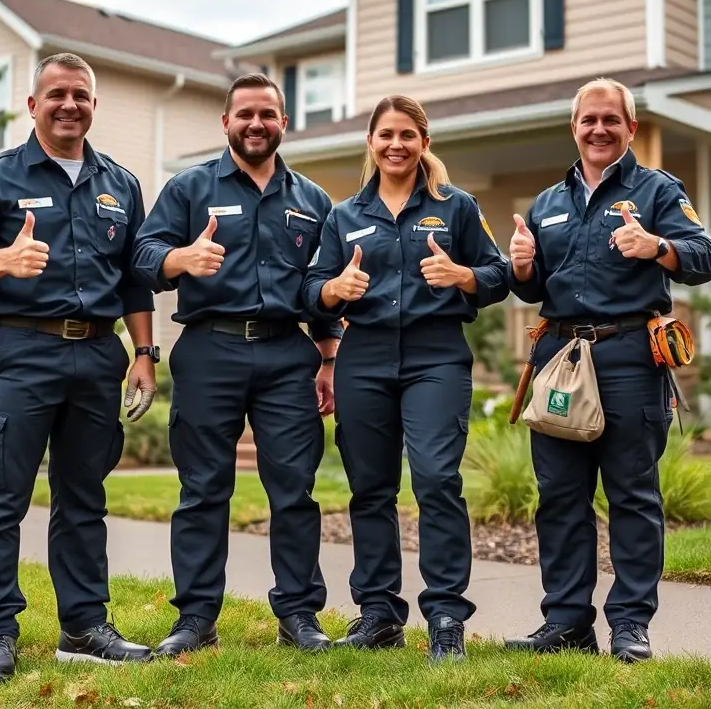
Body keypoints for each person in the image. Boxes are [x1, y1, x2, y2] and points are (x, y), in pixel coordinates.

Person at [0, 53, 158, 683]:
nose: (70, 105)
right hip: (24, 352)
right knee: (2, 498)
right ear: (33, 105)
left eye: (81, 95)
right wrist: (4, 261)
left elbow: (135, 281)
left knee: (84, 497)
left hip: (98, 354)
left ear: (93, 106)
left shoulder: (120, 184)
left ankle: (84, 628)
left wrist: (145, 355)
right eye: (57, 94)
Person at [132, 73, 342, 656]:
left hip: (287, 354)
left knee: (294, 490)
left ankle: (298, 614)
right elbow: (143, 256)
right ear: (226, 121)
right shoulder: (189, 187)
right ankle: (196, 617)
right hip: (209, 349)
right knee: (202, 489)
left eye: (267, 114)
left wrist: (328, 358)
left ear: (283, 122)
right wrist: (181, 257)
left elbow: (324, 286)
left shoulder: (312, 200)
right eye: (244, 113)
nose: (256, 123)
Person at [505, 77, 711, 663]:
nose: (599, 129)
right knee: (559, 496)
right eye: (588, 120)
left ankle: (629, 624)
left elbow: (703, 256)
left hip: (630, 357)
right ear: (573, 128)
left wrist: (658, 247)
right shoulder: (548, 202)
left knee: (632, 495)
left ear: (630, 128)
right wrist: (522, 268)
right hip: (559, 358)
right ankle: (566, 622)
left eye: (610, 120)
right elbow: (535, 288)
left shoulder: (658, 190)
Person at [303, 95, 508, 661]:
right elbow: (312, 288)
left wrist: (462, 274)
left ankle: (445, 616)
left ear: (424, 142)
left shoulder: (457, 206)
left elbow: (498, 274)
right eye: (386, 135)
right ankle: (379, 614)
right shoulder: (344, 216)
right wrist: (332, 290)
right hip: (364, 357)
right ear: (370, 142)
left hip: (434, 355)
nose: (396, 144)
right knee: (370, 488)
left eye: (407, 135)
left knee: (437, 480)